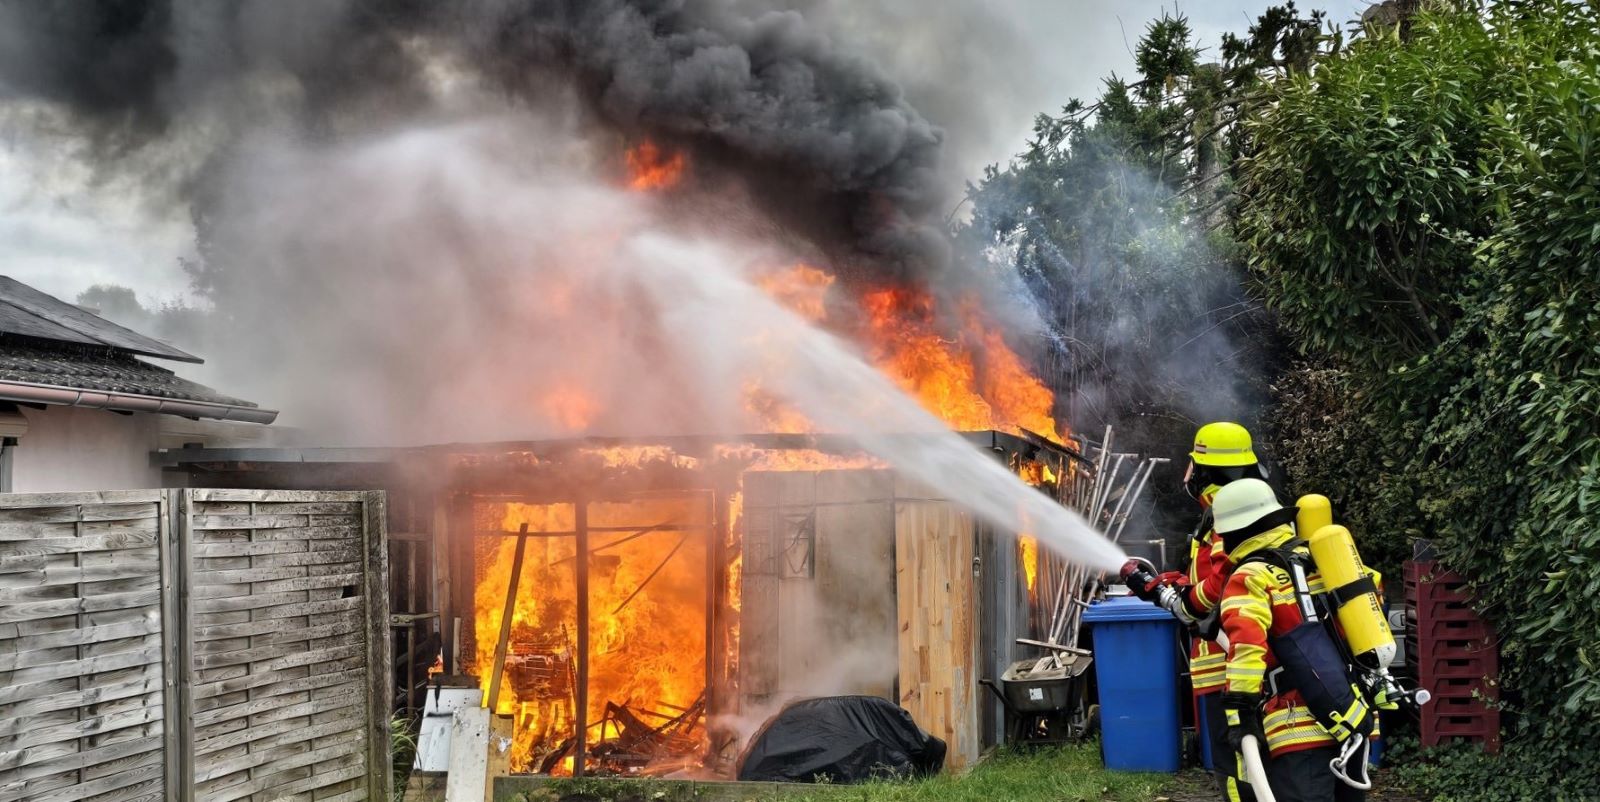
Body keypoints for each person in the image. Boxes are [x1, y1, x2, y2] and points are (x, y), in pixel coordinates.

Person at [1128, 421, 1268, 802]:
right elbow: (1214, 575)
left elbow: (1221, 586)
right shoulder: (1237, 511)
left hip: (1229, 670)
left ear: (1204, 471)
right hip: (1230, 669)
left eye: (1193, 465)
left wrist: (1180, 600)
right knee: (1240, 766)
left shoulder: (1229, 517)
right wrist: (1173, 582)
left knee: (1240, 771)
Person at [1211, 479, 1372, 802]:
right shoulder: (1322, 559)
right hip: (1353, 717)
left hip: (1297, 726)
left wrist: (1239, 716)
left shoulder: (1251, 576)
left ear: (1231, 532)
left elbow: (1246, 648)